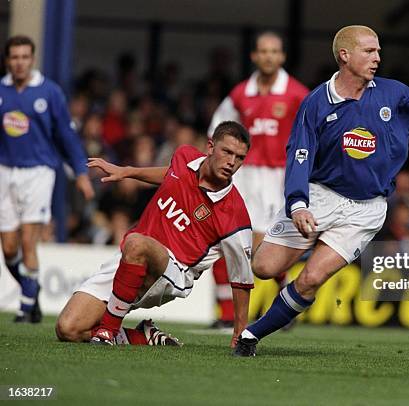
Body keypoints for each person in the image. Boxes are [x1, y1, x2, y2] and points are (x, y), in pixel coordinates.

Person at [233, 25, 409, 356]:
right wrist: (297, 204)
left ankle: (251, 336)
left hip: (366, 210)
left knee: (311, 279)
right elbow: (299, 155)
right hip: (320, 196)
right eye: (369, 51)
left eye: (378, 51)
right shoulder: (315, 103)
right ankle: (309, 252)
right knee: (264, 267)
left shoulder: (394, 95)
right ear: (345, 55)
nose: (377, 58)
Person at [55, 121, 254, 347]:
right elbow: (171, 175)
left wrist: (240, 333)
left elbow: (242, 280)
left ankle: (107, 331)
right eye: (227, 152)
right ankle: (145, 337)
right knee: (68, 328)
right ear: (210, 147)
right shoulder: (185, 156)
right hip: (133, 255)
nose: (231, 162)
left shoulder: (235, 215)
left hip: (176, 272)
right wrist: (128, 172)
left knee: (136, 243)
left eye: (239, 158)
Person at [207, 31, 308, 327]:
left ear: (282, 57)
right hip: (243, 175)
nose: (268, 57)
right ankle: (225, 315)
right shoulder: (240, 94)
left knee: (265, 244)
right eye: (263, 51)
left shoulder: (297, 94)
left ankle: (282, 306)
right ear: (254, 56)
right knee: (227, 239)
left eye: (274, 51)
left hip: (279, 177)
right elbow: (217, 130)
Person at [0, 35, 94, 323]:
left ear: (32, 59)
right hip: (5, 171)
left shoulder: (49, 92)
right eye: (14, 57)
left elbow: (66, 135)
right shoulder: (1, 91)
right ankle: (32, 286)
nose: (20, 62)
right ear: (8, 61)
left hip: (39, 171)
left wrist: (80, 172)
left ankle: (25, 307)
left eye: (25, 57)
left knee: (29, 240)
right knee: (8, 248)